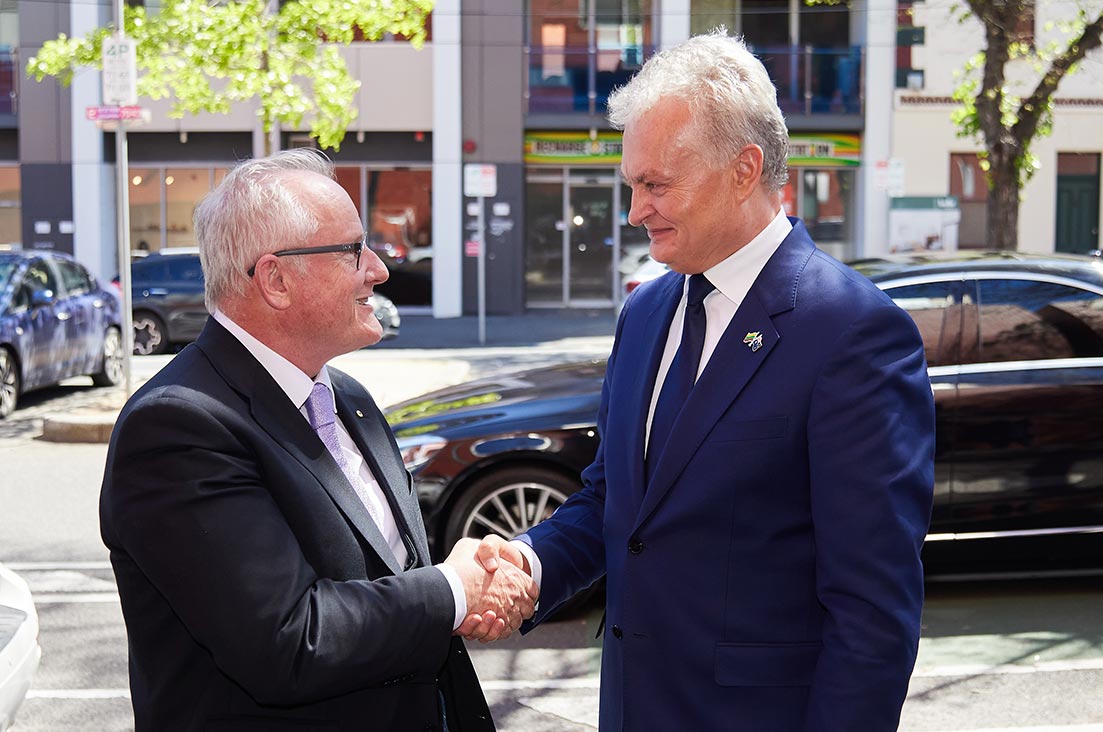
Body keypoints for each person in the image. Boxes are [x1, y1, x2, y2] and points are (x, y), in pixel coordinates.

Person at [480, 30, 935, 731]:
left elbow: (872, 615)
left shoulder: (853, 331)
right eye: (633, 185)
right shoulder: (645, 313)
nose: (636, 211)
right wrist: (527, 563)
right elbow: (616, 503)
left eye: (656, 185)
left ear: (744, 169)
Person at [99, 148, 536, 731]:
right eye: (353, 250)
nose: (378, 269)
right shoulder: (179, 426)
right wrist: (454, 589)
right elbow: (288, 640)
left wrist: (470, 586)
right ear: (276, 279)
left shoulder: (346, 396)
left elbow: (390, 574)